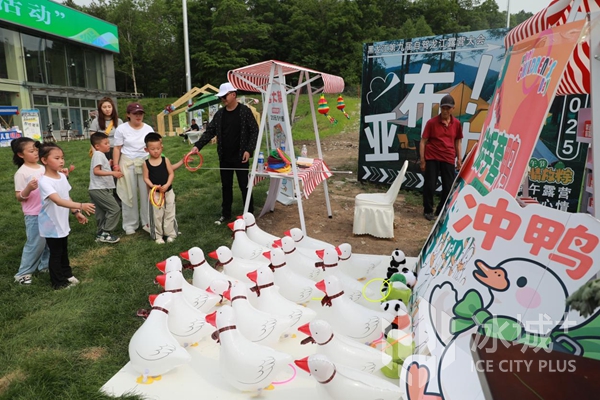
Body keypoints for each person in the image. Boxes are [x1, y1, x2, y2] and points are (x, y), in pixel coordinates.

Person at [190, 82, 259, 224]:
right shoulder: (220, 114)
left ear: (233, 95)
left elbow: (254, 131)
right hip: (224, 157)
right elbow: (210, 132)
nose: (222, 99)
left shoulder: (244, 111)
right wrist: (197, 146)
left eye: (224, 96)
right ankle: (225, 214)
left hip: (241, 157)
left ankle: (249, 214)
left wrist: (248, 150)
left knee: (244, 185)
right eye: (220, 97)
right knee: (226, 186)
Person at [38, 143, 95, 289]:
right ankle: (58, 283)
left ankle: (67, 274)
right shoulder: (44, 181)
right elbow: (57, 200)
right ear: (44, 160)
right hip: (51, 224)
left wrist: (76, 212)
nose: (61, 161)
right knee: (56, 253)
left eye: (62, 158)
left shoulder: (62, 177)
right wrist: (81, 205)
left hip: (62, 222)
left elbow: (66, 197)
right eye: (56, 158)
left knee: (63, 250)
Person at [12, 137, 50, 285]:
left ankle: (45, 266)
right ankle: (23, 273)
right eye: (31, 151)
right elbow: (19, 197)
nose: (36, 153)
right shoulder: (21, 173)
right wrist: (28, 188)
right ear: (20, 154)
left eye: (36, 150)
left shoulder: (42, 168)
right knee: (35, 244)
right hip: (34, 214)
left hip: (48, 211)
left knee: (49, 242)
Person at [112, 102, 154, 235]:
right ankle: (130, 224)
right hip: (127, 163)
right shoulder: (121, 129)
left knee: (146, 193)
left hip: (144, 162)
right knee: (128, 193)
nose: (138, 116)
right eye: (135, 114)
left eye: (140, 113)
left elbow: (154, 146)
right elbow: (117, 148)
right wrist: (116, 165)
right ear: (128, 115)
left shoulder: (148, 129)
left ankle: (147, 222)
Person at [420, 94, 463, 221]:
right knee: (430, 185)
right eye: (443, 108)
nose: (445, 111)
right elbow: (423, 141)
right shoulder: (432, 123)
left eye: (448, 108)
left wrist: (459, 159)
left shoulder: (456, 124)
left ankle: (441, 210)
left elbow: (458, 141)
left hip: (448, 157)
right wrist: (422, 160)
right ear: (440, 108)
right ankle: (428, 210)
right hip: (432, 156)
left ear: (453, 109)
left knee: (448, 186)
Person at [142, 132, 178, 244]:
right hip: (155, 194)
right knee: (156, 215)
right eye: (152, 149)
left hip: (168, 191)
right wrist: (152, 186)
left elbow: (171, 174)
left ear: (161, 147)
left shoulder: (165, 160)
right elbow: (146, 178)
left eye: (158, 148)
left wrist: (167, 185)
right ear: (146, 149)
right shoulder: (146, 163)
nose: (156, 151)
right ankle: (158, 236)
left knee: (169, 212)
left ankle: (170, 233)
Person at [89, 132, 124, 244]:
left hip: (95, 189)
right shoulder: (98, 155)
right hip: (100, 188)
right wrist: (113, 173)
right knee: (115, 209)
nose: (109, 145)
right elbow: (96, 171)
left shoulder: (99, 155)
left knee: (101, 213)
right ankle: (106, 233)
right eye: (106, 143)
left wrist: (108, 164)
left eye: (109, 142)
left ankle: (100, 234)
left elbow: (100, 168)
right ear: (97, 146)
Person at [89, 97, 123, 161]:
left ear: (113, 108)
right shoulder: (96, 121)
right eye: (104, 107)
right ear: (100, 109)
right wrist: (95, 155)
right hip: (102, 152)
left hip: (116, 151)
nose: (107, 109)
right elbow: (93, 141)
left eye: (109, 107)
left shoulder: (119, 121)